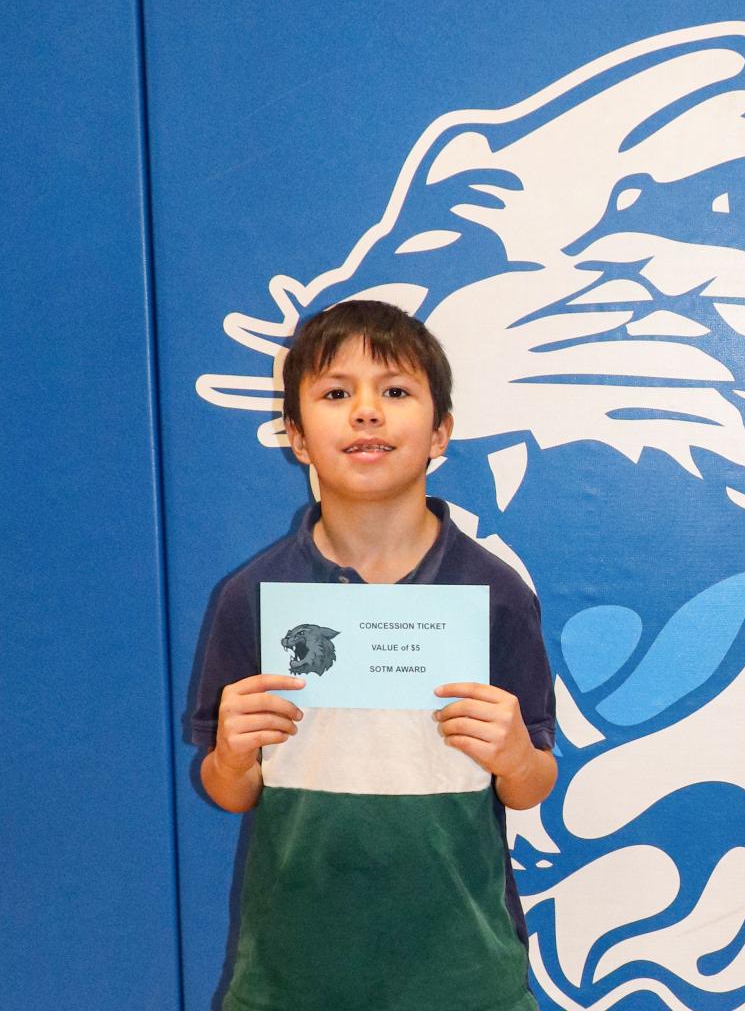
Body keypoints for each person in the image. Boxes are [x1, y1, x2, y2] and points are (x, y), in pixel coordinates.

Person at [188, 299, 557, 1011]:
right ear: (296, 436)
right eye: (335, 393)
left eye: (395, 391)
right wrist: (232, 754)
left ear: (440, 431)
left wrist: (514, 754)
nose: (366, 412)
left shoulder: (496, 594)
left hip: (463, 978)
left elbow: (530, 784)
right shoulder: (253, 597)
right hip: (290, 981)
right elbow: (230, 790)